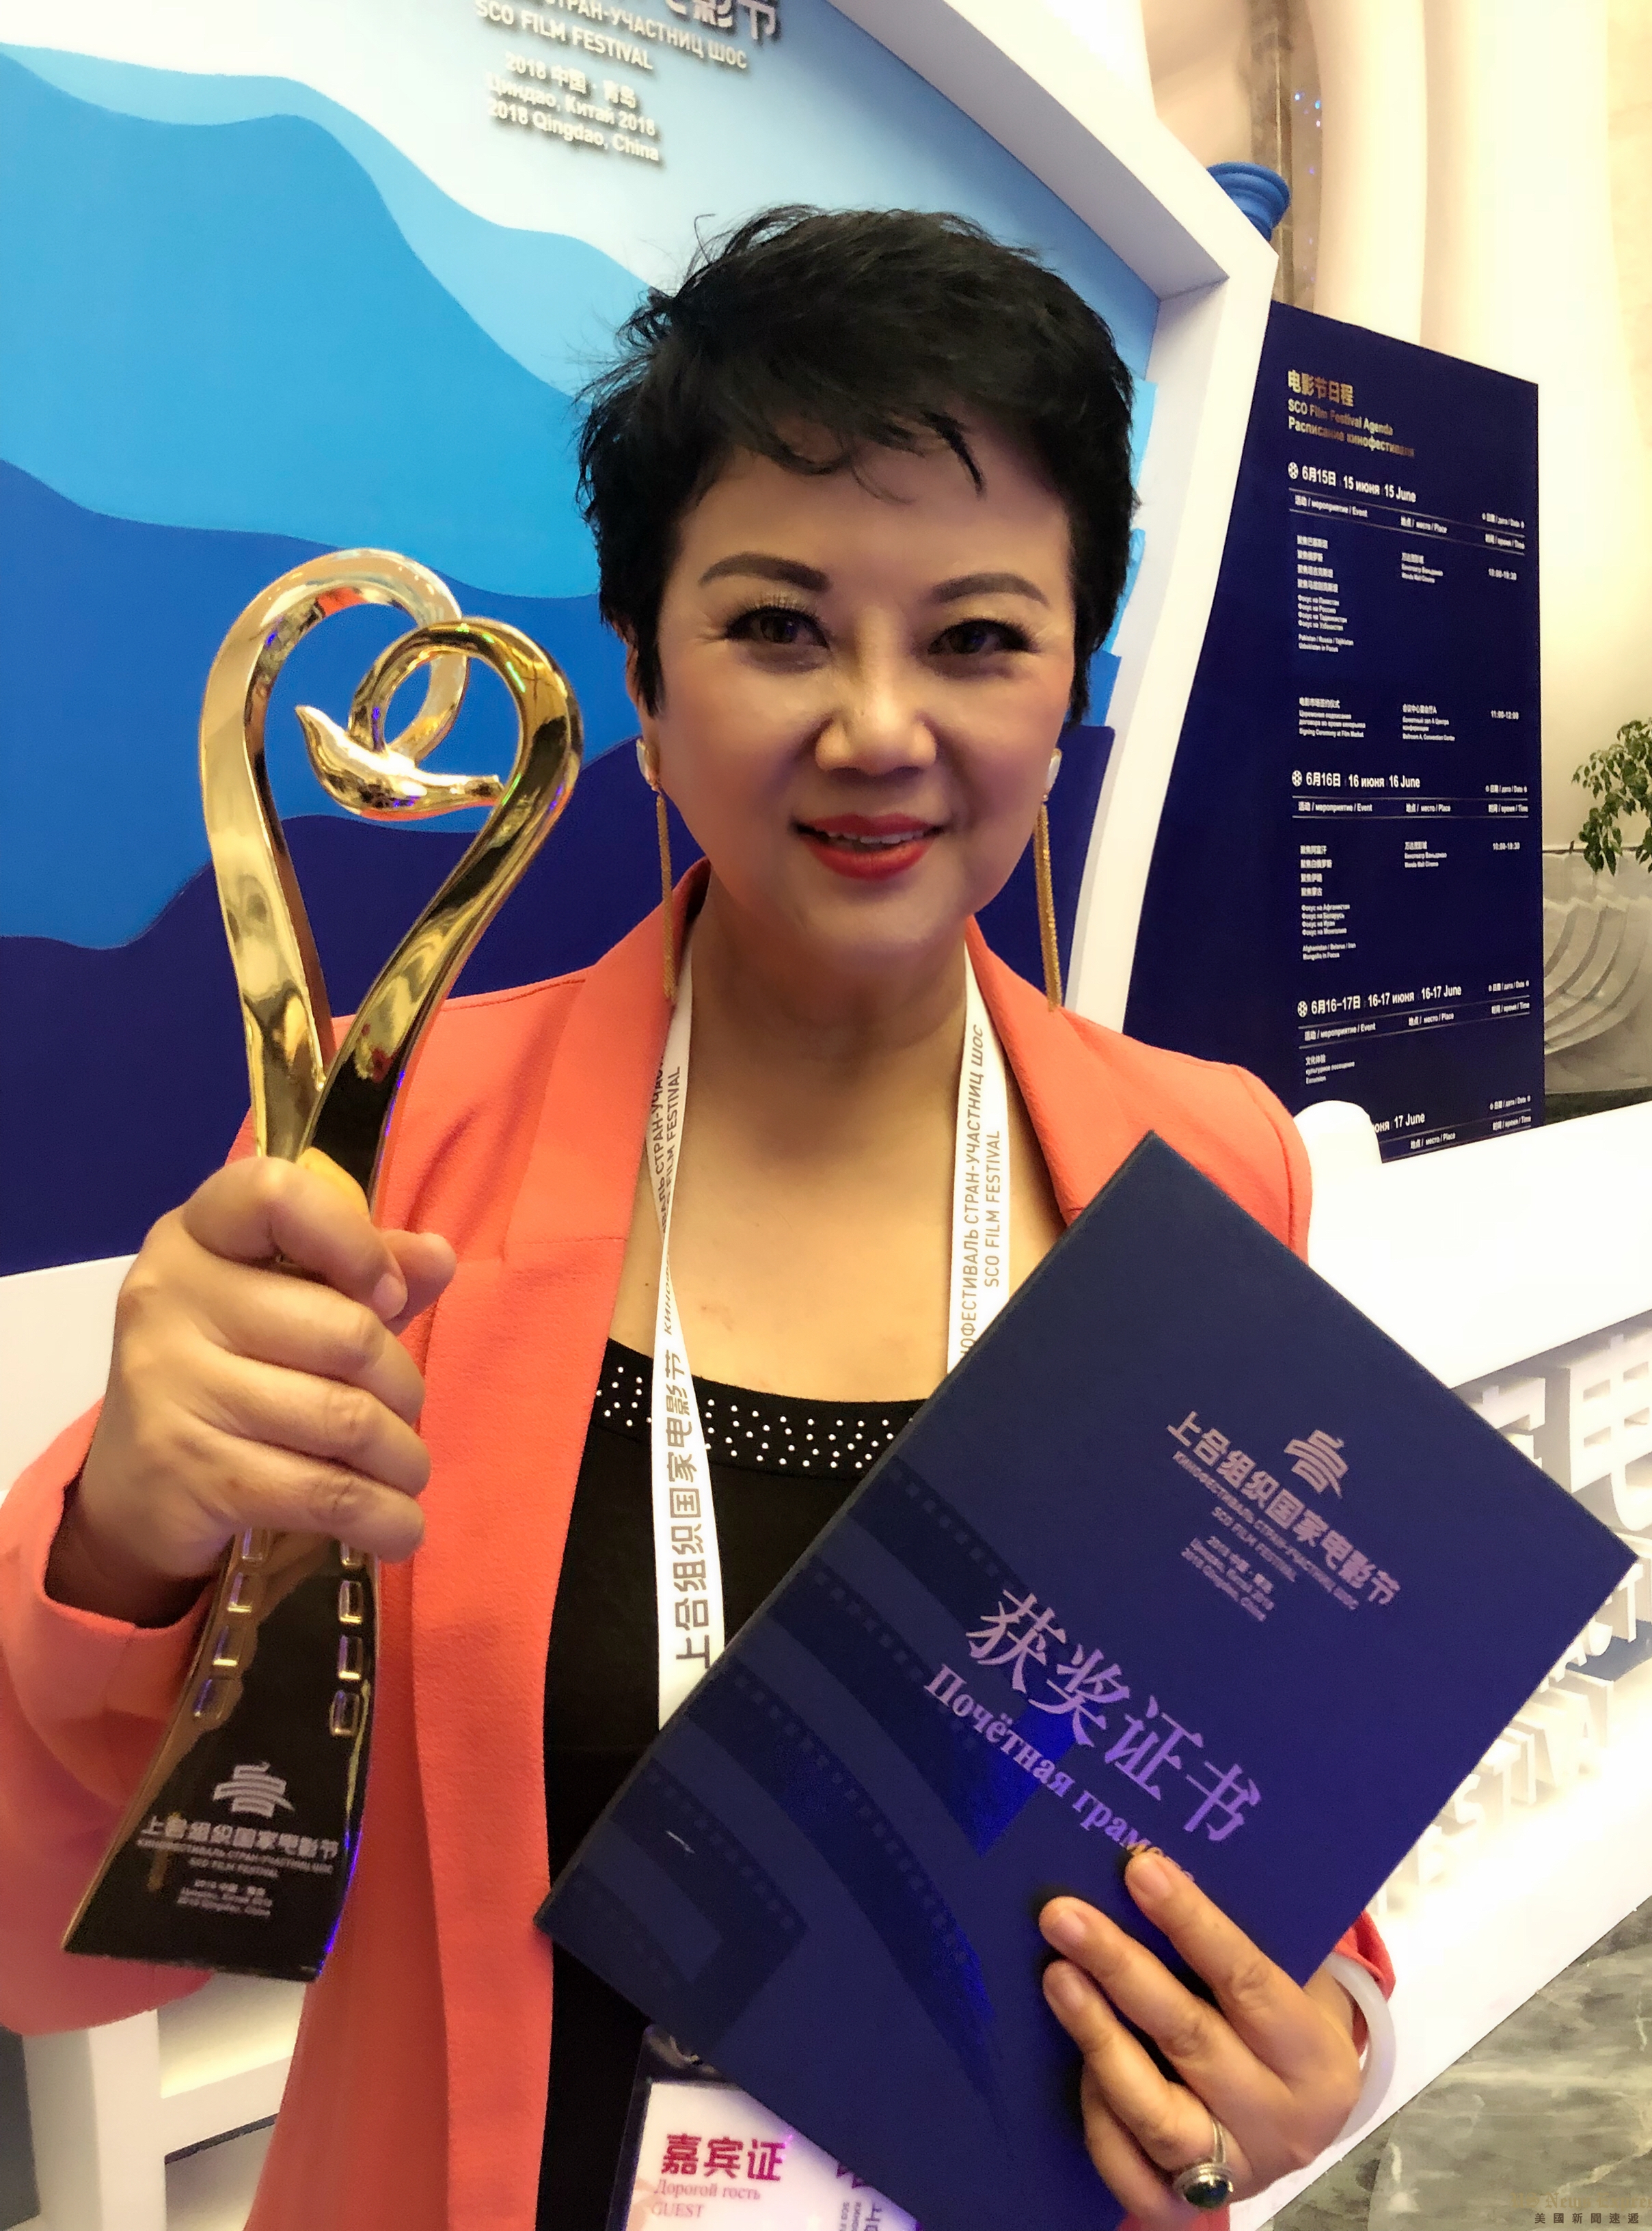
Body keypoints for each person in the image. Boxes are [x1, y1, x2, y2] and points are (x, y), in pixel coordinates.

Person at [0, 207, 1387, 2230]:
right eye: (779, 627)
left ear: (1069, 686)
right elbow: (53, 1920)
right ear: (644, 679)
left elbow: (1268, 1803)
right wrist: (131, 1533)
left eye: (978, 638)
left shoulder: (1204, 1168)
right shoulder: (397, 1149)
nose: (880, 726)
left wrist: (1315, 2049)